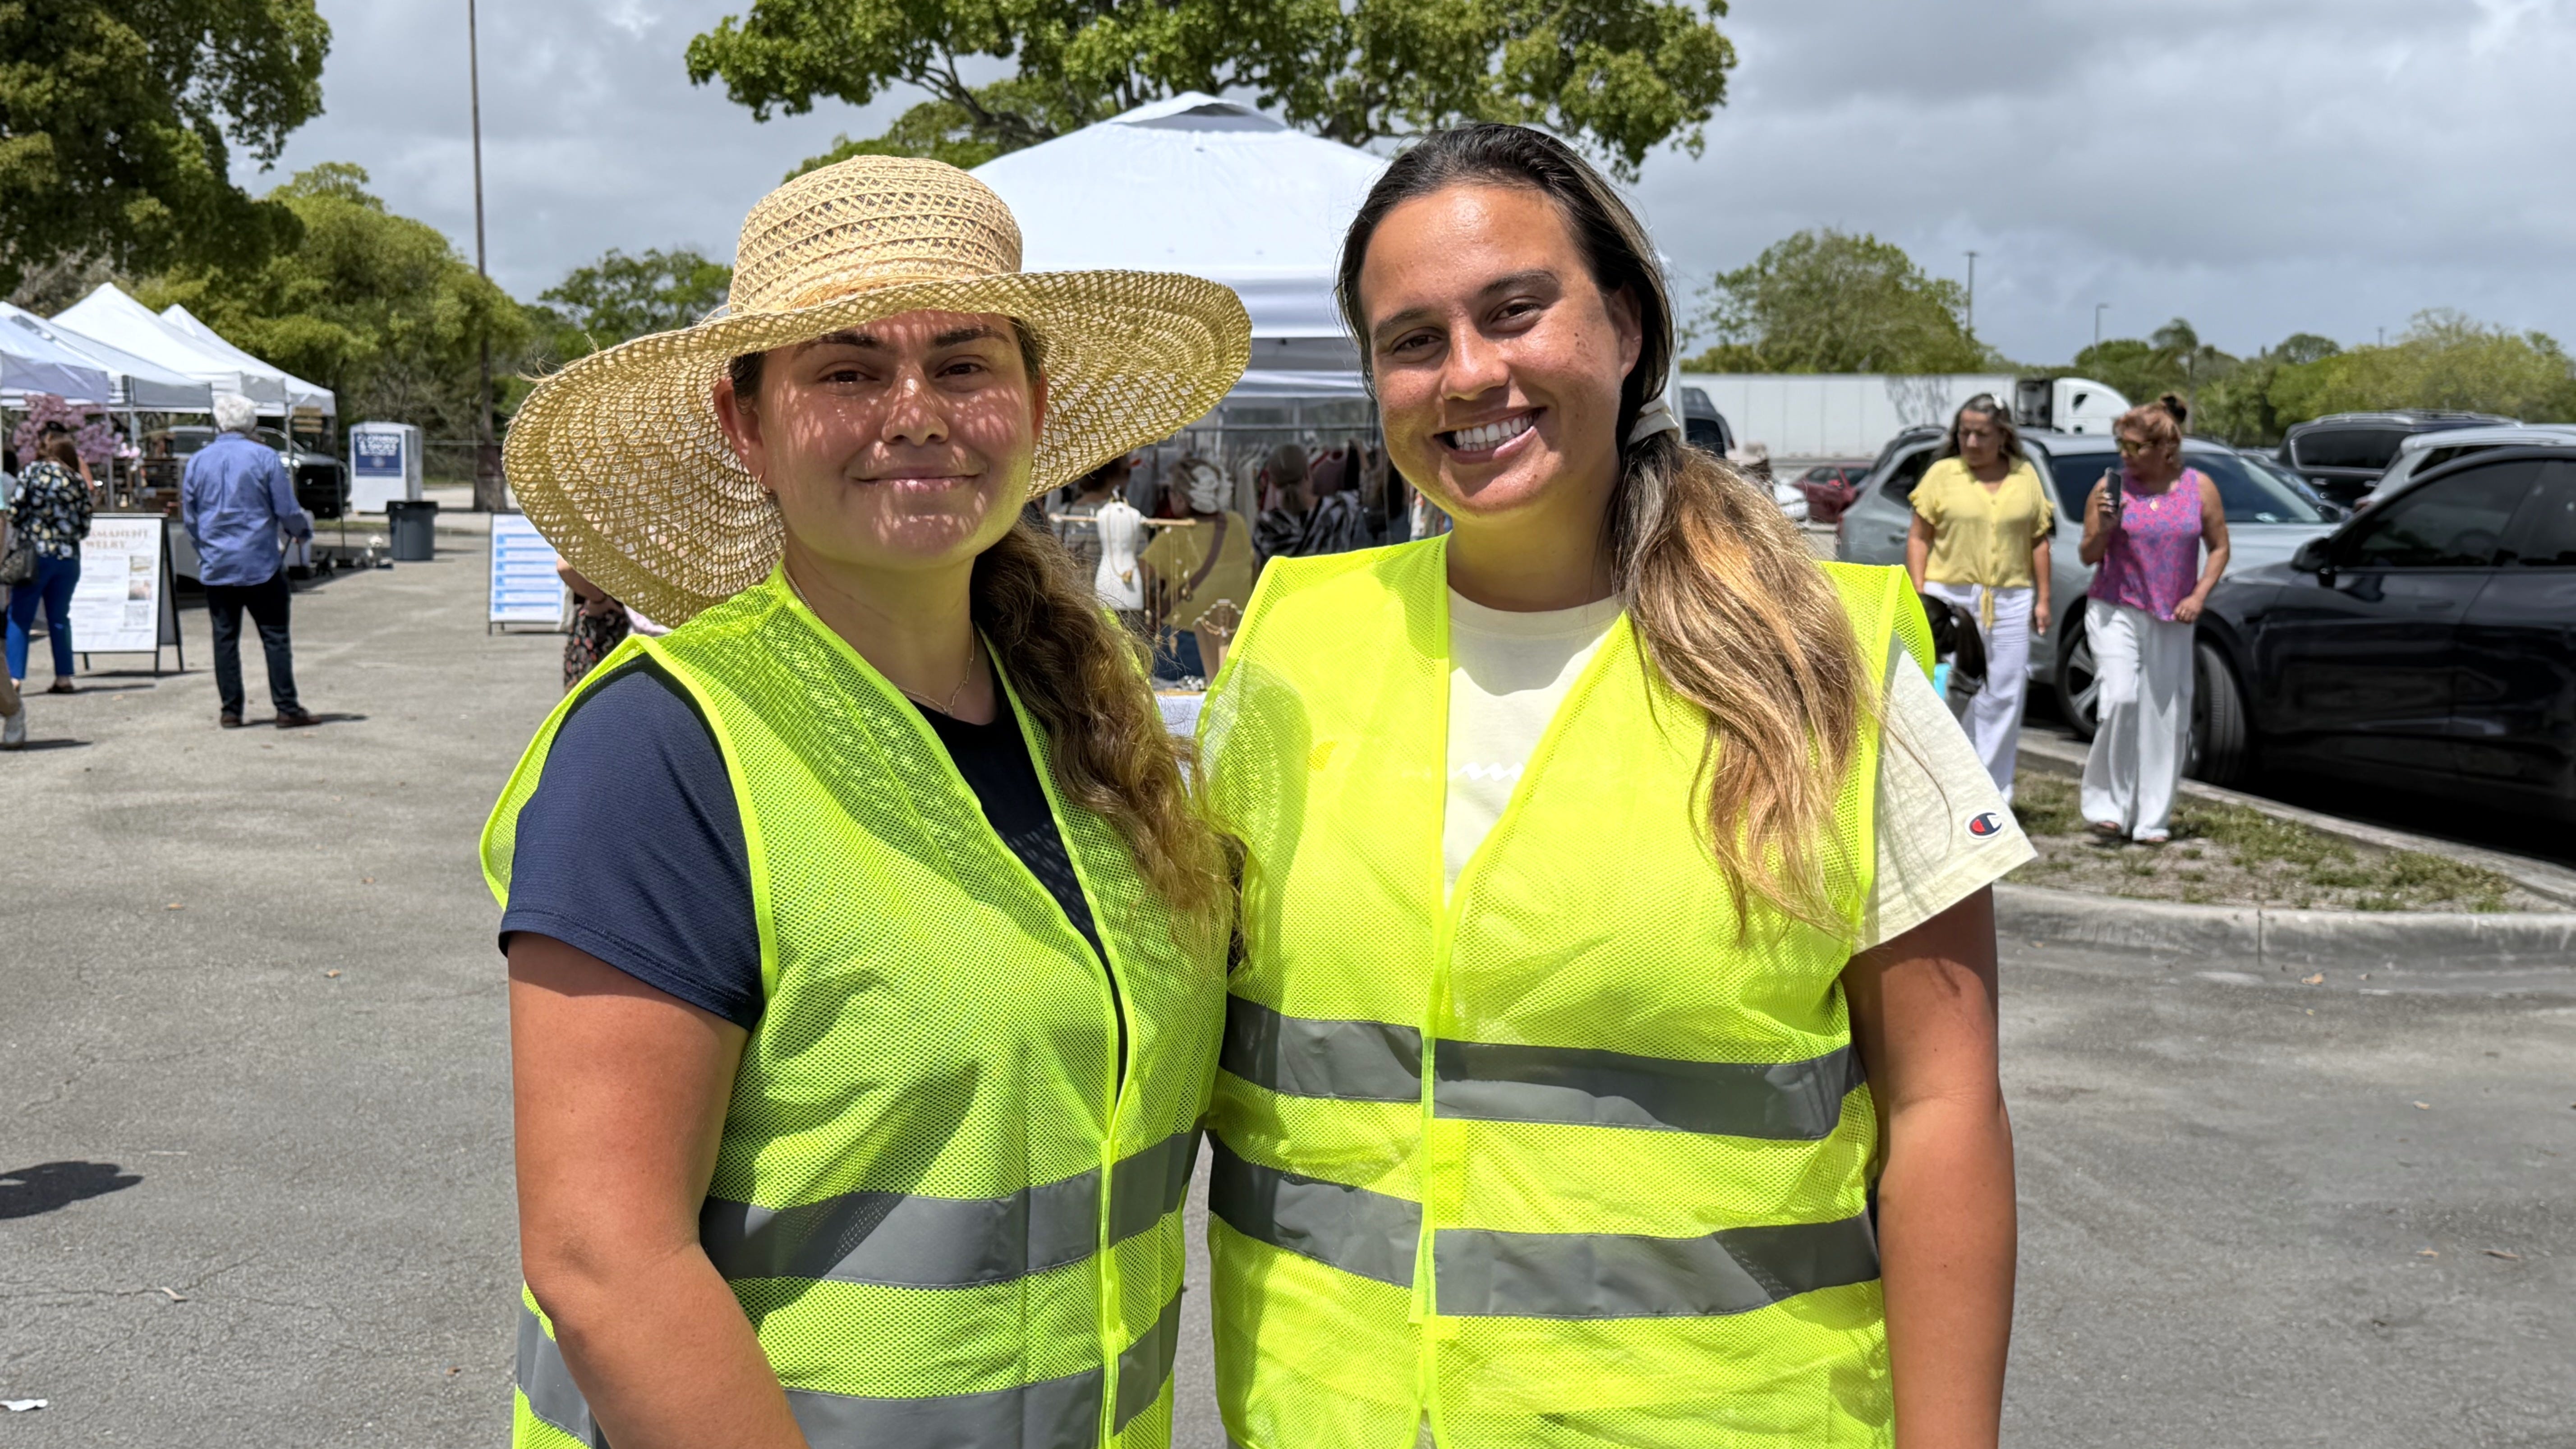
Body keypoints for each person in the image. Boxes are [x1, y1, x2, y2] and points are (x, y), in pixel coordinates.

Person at [1198, 124, 2023, 1449]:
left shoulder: (1821, 659)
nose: (1469, 373)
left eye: (1514, 311)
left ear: (1626, 325)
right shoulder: (1290, 647)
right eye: (1412, 340)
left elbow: (1943, 1111)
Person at [483, 155, 1247, 1449]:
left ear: (1034, 407)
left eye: (964, 364)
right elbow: (606, 1266)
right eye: (847, 372)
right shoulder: (663, 750)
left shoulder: (1086, 727)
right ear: (747, 427)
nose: (916, 413)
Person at [2078, 394, 2229, 844]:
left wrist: (2199, 595)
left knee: (2166, 714)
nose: (2125, 455)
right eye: (2121, 445)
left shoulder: (2199, 488)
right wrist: (2105, 529)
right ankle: (2108, 807)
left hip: (2173, 614)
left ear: (2166, 448)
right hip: (2115, 607)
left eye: (2135, 446)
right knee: (2120, 699)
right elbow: (2088, 554)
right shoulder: (2110, 488)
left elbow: (2220, 547)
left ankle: (2151, 819)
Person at [1907, 394, 2054, 800]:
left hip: (2010, 597)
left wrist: (2044, 599)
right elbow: (1919, 538)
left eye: (1982, 434)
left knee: (2004, 693)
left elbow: (2038, 541)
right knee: (1950, 692)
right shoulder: (1943, 474)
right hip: (1950, 598)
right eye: (1965, 433)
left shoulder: (2026, 475)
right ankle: (1946, 789)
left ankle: (1993, 794)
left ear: (2003, 435)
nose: (1971, 442)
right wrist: (1921, 594)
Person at [181, 393, 316, 728]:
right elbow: (286, 507)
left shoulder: (198, 461)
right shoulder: (265, 457)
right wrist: (300, 531)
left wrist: (205, 549)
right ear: (252, 423)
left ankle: (231, 710)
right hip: (260, 561)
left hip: (218, 563)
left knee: (225, 638)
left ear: (219, 422)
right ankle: (286, 707)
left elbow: (190, 517)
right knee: (275, 636)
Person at [1138, 455, 1253, 679]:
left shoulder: (1175, 535)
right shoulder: (1237, 524)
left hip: (1185, 638)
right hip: (1234, 635)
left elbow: (1138, 576)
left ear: (1181, 499)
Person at [7, 432, 92, 697]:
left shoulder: (31, 473)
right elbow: (84, 526)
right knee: (59, 618)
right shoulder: (76, 480)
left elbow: (14, 511)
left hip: (35, 556)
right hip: (68, 558)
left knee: (20, 616)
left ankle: (15, 677)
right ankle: (64, 677)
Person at [1255, 442, 1376, 561]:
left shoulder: (1266, 527)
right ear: (1308, 475)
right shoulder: (1341, 508)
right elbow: (1367, 488)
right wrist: (1360, 450)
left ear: (1274, 483)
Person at [554, 561, 630, 691]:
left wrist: (598, 599)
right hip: (610, 621)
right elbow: (565, 567)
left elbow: (565, 567)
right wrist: (599, 599)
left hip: (606, 622)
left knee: (589, 695)